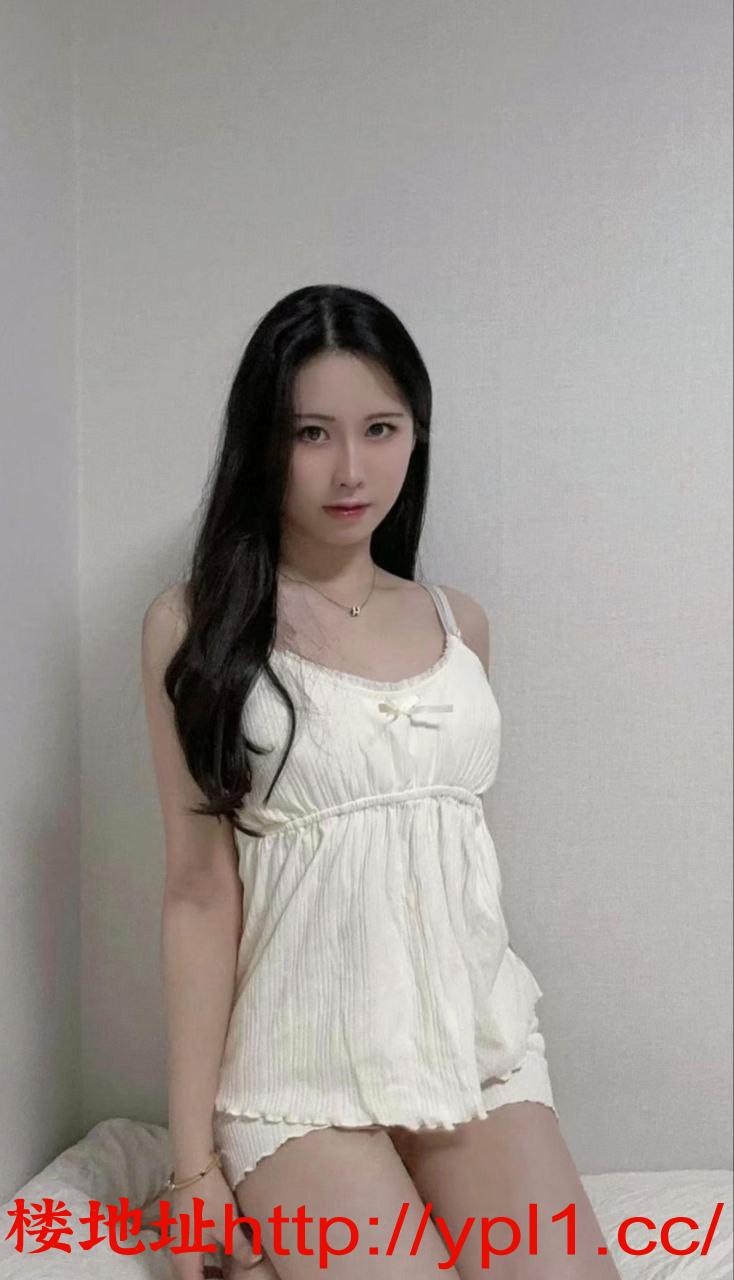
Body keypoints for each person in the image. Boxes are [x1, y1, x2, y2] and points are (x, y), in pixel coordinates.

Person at [141, 284, 621, 1278]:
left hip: (469, 1053)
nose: (350, 469)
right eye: (310, 432)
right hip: (297, 1073)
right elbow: (198, 890)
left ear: (416, 434)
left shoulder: (460, 625)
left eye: (380, 428)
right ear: (263, 441)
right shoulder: (195, 627)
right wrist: (192, 1171)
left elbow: (446, 864)